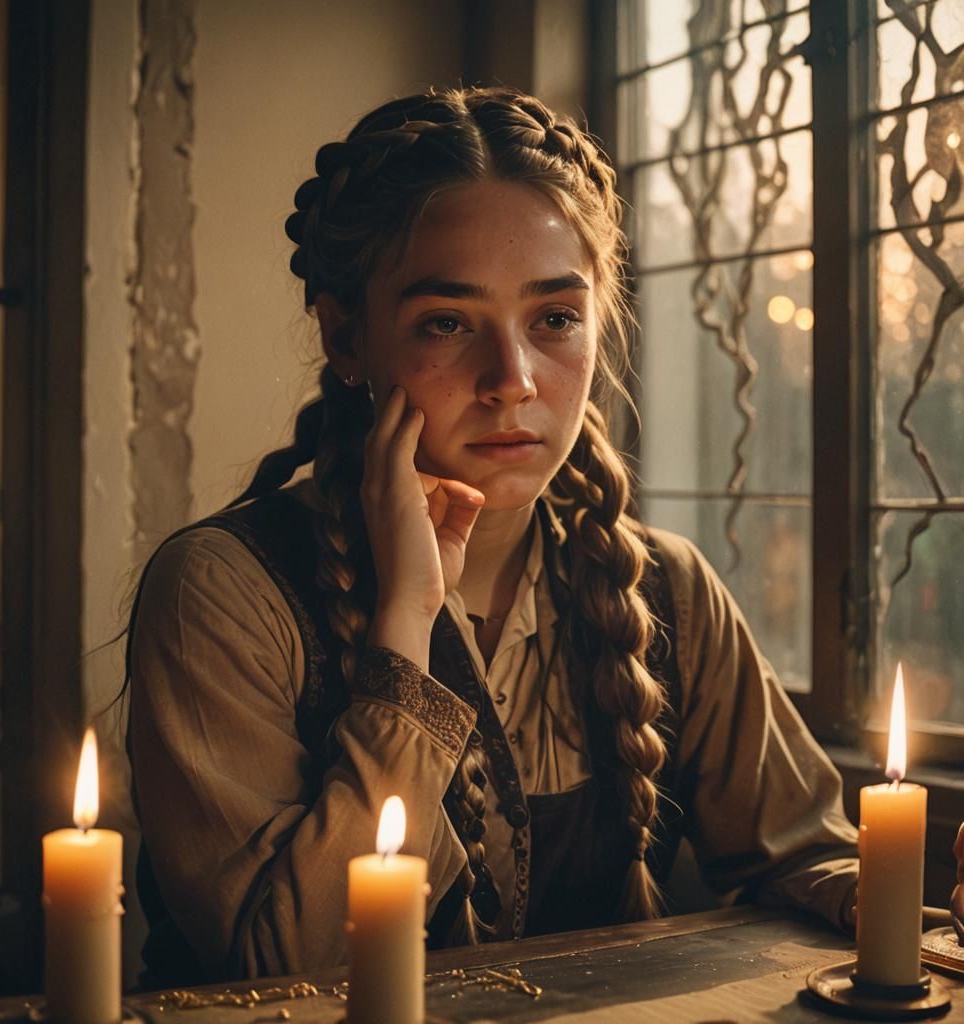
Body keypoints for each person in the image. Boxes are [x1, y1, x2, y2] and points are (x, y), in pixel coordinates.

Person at [125, 86, 859, 986]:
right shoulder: (224, 594)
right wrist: (406, 618)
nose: (511, 380)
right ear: (347, 336)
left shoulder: (663, 588)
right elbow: (290, 967)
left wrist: (878, 892)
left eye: (554, 318)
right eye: (446, 323)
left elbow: (805, 853)